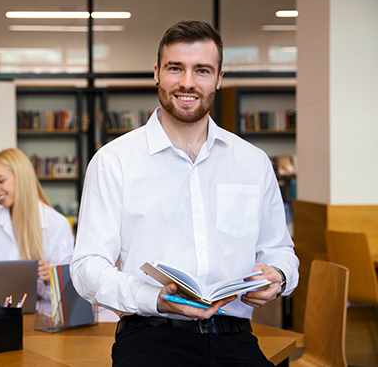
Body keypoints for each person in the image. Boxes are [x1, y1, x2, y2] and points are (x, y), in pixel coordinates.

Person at [70, 20, 299, 367]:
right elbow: (87, 267)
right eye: (176, 68)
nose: (188, 82)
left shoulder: (251, 162)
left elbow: (280, 250)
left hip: (234, 336)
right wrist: (154, 298)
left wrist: (278, 277)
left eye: (202, 70)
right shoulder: (114, 161)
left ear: (219, 78)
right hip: (149, 336)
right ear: (157, 74)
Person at [0, 148, 75, 301]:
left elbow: (69, 295)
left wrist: (50, 278)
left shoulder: (57, 223)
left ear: (21, 177)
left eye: (0, 181)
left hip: (41, 317)